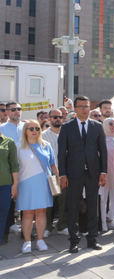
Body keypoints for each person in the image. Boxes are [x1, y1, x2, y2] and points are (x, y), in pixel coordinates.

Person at [57, 96, 108, 253]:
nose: (85, 109)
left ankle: (92, 238)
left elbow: (103, 151)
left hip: (93, 172)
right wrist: (63, 174)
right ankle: (73, 240)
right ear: (75, 109)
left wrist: (103, 171)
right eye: (81, 106)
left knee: (93, 205)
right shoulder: (67, 127)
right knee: (73, 206)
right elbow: (61, 153)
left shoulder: (97, 126)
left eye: (87, 106)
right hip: (73, 173)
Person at [17, 120, 58, 253]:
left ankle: (40, 240)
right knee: (27, 213)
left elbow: (53, 165)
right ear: (25, 131)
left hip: (43, 183)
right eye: (31, 128)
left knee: (41, 212)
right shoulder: (18, 146)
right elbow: (14, 168)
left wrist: (57, 179)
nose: (34, 131)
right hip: (25, 183)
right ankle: (27, 242)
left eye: (37, 128)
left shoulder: (46, 145)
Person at [42, 109, 68, 236]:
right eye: (54, 117)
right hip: (50, 174)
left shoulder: (67, 132)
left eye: (60, 116)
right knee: (49, 202)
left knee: (64, 201)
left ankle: (62, 226)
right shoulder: (43, 135)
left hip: (65, 173)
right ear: (49, 118)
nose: (58, 119)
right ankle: (47, 227)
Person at [100, 118, 114, 232]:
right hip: (103, 173)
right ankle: (103, 221)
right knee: (103, 199)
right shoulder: (101, 139)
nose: (113, 126)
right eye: (110, 124)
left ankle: (112, 219)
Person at [0, 132, 18, 259]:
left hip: (5, 185)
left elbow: (14, 165)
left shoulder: (9, 141)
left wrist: (15, 185)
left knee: (1, 218)